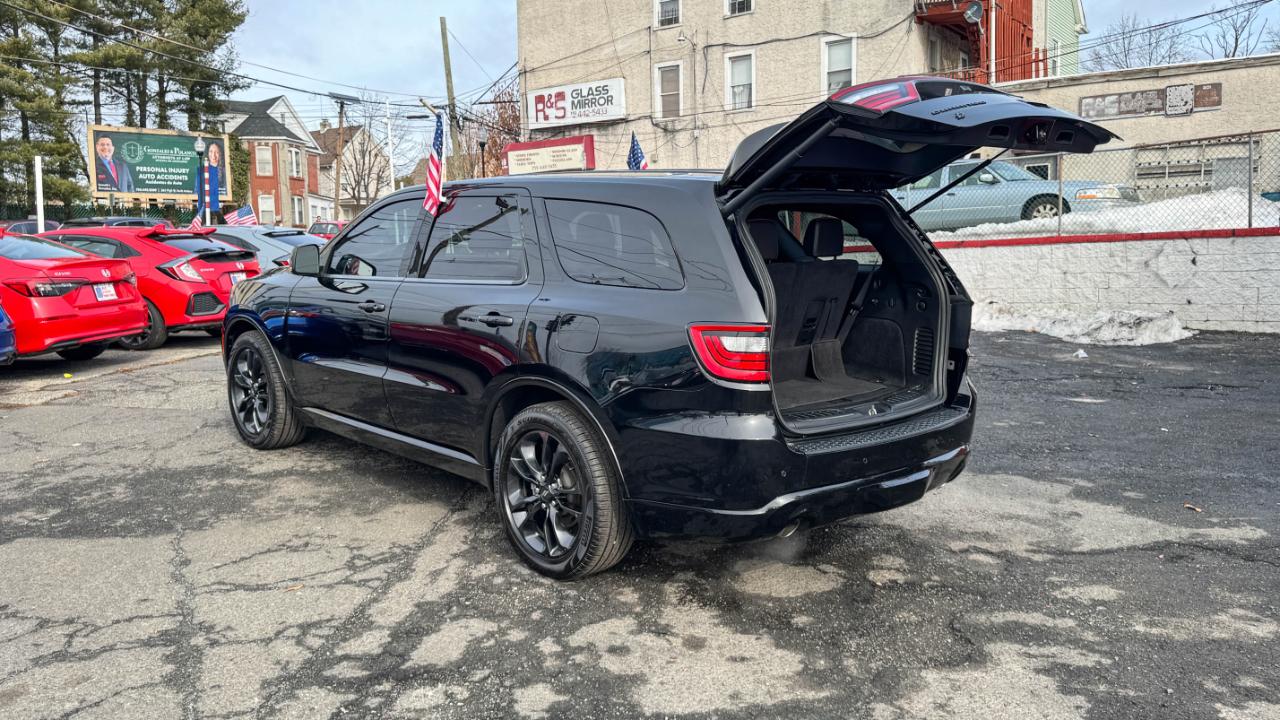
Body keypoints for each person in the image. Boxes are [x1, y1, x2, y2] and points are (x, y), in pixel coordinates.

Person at [194, 140, 224, 219]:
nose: (213, 155)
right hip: (205, 205)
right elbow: (197, 189)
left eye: (216, 152)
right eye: (211, 151)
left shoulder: (224, 171)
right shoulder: (201, 170)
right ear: (208, 153)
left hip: (216, 204)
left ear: (220, 154)